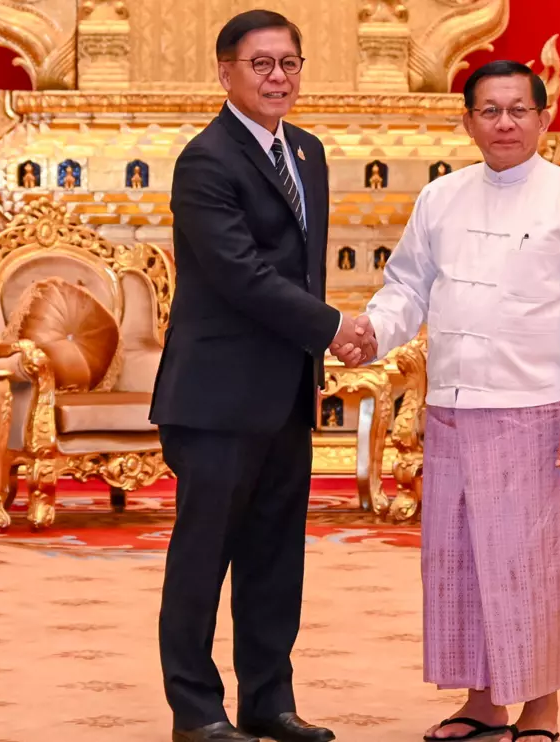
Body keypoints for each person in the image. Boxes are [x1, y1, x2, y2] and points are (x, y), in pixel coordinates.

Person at [335, 60, 560, 742]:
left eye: (518, 110)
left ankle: (540, 708)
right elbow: (407, 286)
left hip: (537, 407)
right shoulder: (442, 198)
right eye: (489, 111)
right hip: (454, 406)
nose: (504, 124)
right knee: (460, 561)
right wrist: (372, 331)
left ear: (544, 118)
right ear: (467, 123)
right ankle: (482, 702)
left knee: (530, 562)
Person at [149, 10, 369, 742]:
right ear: (225, 72)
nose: (279, 78)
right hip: (215, 398)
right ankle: (197, 712)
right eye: (262, 65)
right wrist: (333, 327)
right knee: (203, 559)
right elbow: (240, 275)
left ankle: (268, 703)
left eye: (289, 64)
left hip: (284, 396)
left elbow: (300, 267)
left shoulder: (305, 152)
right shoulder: (205, 160)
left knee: (275, 559)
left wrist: (317, 344)